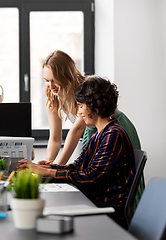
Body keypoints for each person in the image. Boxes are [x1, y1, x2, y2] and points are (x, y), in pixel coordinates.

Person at [17, 76, 135, 228]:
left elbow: (91, 177)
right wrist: (47, 168)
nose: (79, 112)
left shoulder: (113, 135)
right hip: (93, 202)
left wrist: (46, 172)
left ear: (95, 107)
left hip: (106, 211)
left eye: (80, 106)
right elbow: (78, 166)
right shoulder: (99, 134)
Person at [41, 50, 140, 166]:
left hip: (116, 129)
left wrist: (57, 168)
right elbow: (55, 138)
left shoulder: (85, 88)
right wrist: (48, 163)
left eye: (55, 80)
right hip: (96, 135)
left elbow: (77, 131)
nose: (51, 86)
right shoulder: (53, 96)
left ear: (66, 76)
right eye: (47, 81)